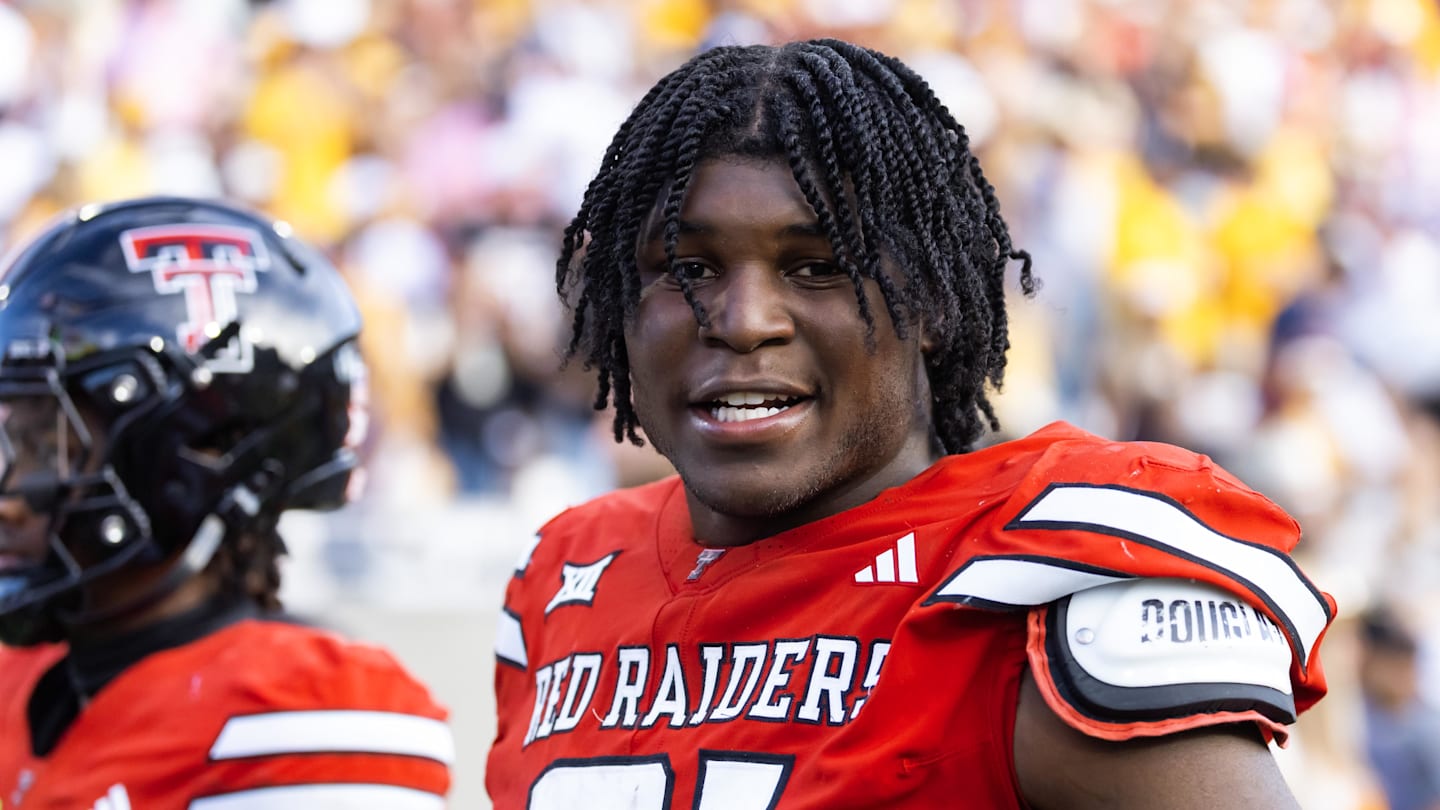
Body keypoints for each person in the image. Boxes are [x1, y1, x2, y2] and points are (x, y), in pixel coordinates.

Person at [486, 39, 1336, 809]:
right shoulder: (566, 572)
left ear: (930, 302)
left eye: (817, 267)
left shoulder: (1034, 577)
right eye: (688, 267)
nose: (742, 321)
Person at [0, 197, 453, 808]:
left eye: (45, 443)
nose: (9, 495)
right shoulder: (22, 681)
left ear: (193, 453)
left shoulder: (297, 716)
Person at [1356, 607, 1440, 810]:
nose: (1406, 679)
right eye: (1397, 669)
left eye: (1409, 668)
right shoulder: (1359, 713)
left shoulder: (1427, 726)